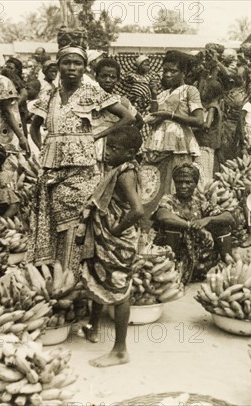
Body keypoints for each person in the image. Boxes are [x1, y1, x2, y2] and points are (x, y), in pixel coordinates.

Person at [27, 40, 135, 272]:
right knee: (53, 223)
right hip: (51, 172)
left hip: (82, 170)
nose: (72, 68)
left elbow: (127, 117)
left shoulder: (91, 92)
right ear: (59, 66)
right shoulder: (50, 96)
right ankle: (57, 277)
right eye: (67, 63)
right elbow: (34, 127)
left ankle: (75, 275)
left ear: (85, 67)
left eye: (78, 63)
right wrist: (42, 148)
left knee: (77, 224)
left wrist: (97, 135)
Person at [78, 126, 144, 367]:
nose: (108, 152)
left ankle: (120, 350)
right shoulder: (118, 168)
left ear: (130, 153)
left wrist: (114, 230)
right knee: (99, 277)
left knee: (118, 290)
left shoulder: (126, 173)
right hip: (105, 238)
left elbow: (137, 210)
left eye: (115, 149)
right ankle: (93, 326)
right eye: (109, 146)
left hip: (117, 240)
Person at [141, 51, 204, 217]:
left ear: (184, 73)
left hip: (178, 145)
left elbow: (199, 120)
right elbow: (154, 115)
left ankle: (176, 223)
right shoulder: (163, 93)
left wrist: (170, 116)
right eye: (165, 70)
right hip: (157, 145)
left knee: (175, 185)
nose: (168, 74)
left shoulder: (190, 91)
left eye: (173, 71)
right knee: (153, 186)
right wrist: (154, 95)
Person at [152, 163, 236, 283]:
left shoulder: (200, 203)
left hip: (200, 259)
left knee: (222, 225)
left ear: (195, 184)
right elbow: (162, 215)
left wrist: (208, 220)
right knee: (172, 226)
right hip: (178, 256)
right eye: (179, 182)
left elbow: (229, 217)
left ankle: (228, 269)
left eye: (188, 182)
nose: (183, 186)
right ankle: (171, 271)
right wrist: (192, 226)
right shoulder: (169, 200)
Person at [93, 58, 143, 173]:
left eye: (112, 77)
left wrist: (124, 139)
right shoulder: (90, 98)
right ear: (96, 77)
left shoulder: (121, 101)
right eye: (103, 76)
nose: (108, 80)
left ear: (118, 79)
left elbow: (138, 121)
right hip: (93, 147)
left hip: (113, 150)